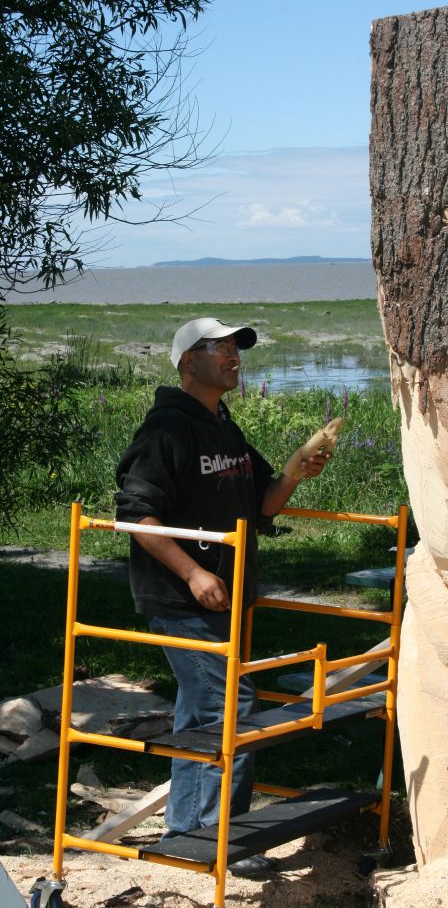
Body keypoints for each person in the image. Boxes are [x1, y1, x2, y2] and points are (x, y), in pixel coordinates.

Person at [115, 317, 334, 876]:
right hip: (183, 599)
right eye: (220, 348)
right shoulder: (168, 428)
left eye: (237, 347)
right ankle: (215, 843)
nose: (234, 356)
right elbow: (136, 515)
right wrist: (192, 573)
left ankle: (187, 830)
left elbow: (263, 505)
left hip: (226, 598)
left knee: (201, 713)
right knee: (230, 708)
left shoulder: (223, 427)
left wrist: (295, 470)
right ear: (189, 362)